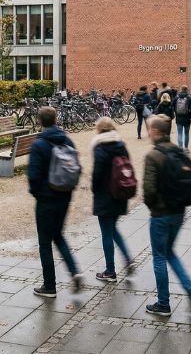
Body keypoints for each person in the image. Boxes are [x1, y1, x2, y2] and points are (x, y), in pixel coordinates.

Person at [143, 115, 191, 316]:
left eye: (150, 129)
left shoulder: (153, 156)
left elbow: (148, 190)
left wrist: (152, 206)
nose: (148, 132)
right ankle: (190, 289)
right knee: (169, 252)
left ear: (156, 132)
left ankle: (163, 303)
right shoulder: (179, 151)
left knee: (159, 257)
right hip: (179, 210)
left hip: (161, 213)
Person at [27, 106, 83, 297]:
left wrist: (37, 193)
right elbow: (77, 166)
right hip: (64, 195)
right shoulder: (67, 140)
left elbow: (33, 176)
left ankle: (49, 286)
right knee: (58, 235)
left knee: (45, 242)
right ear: (56, 119)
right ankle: (74, 271)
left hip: (46, 198)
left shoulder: (39, 144)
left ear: (40, 121)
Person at [90, 117, 133, 282]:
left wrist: (95, 190)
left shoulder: (100, 148)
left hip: (105, 195)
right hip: (121, 192)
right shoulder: (121, 145)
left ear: (99, 130)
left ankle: (110, 270)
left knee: (107, 233)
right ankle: (128, 259)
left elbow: (97, 174)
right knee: (113, 229)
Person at [173, 86, 191, 150]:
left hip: (179, 118)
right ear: (186, 90)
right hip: (187, 118)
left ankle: (180, 148)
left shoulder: (176, 97)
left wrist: (176, 113)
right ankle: (186, 147)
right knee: (187, 133)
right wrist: (190, 116)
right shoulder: (189, 98)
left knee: (179, 133)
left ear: (181, 89)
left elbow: (173, 106)